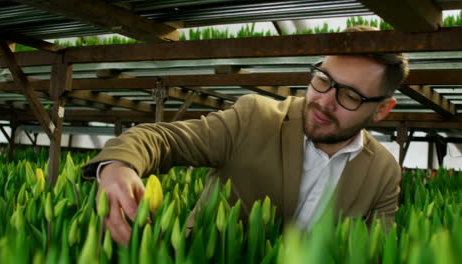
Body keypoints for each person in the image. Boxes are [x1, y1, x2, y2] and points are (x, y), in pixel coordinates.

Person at [82, 25, 409, 245]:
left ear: (381, 110)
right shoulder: (255, 118)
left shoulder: (383, 171)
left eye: (349, 96)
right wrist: (117, 167)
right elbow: (162, 139)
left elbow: (374, 249)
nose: (323, 101)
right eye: (323, 79)